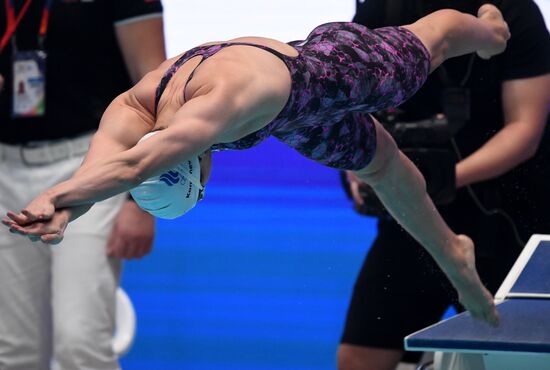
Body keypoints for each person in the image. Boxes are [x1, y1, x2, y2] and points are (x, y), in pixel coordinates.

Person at [3, 5, 510, 335]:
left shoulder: (212, 112)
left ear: (193, 171)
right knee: (387, 170)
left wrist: (54, 195)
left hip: (325, 73)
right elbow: (112, 166)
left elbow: (135, 165)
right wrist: (65, 209)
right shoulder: (133, 110)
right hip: (287, 120)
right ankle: (454, 253)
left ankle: (487, 29)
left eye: (200, 190)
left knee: (431, 43)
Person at [337, 1, 550, 370]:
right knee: (360, 358)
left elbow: (525, 131)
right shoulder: (379, 13)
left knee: (517, 357)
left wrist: (442, 178)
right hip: (414, 216)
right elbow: (351, 120)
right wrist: (356, 174)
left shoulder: (517, 12)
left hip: (508, 219)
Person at [0, 1, 165, 369]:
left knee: (80, 343)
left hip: (90, 164)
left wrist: (140, 202)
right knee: (13, 352)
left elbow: (154, 87)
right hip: (4, 167)